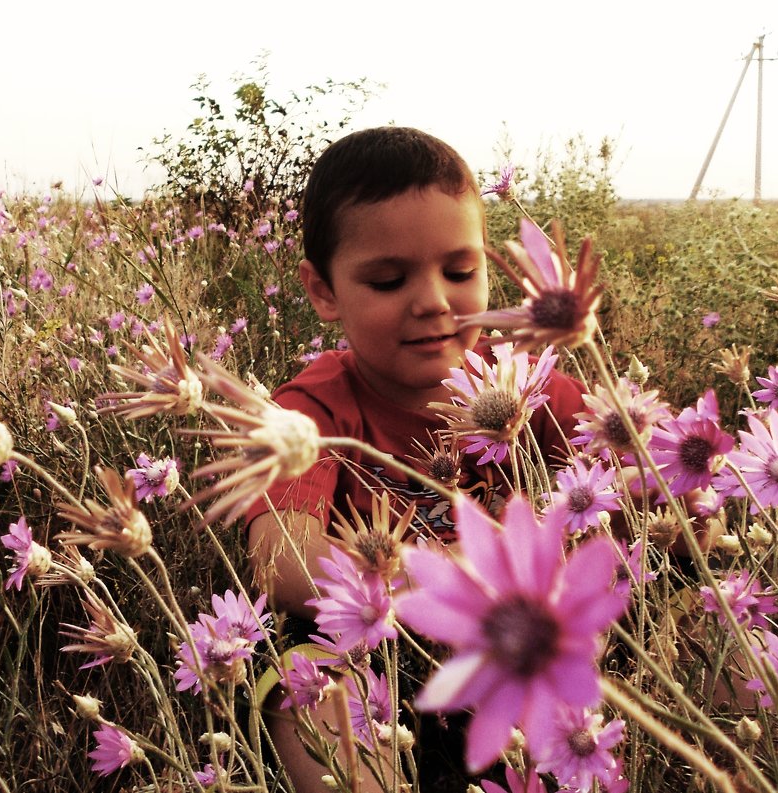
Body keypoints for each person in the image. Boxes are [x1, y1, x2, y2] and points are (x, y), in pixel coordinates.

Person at [242, 126, 588, 792]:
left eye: (459, 271)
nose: (432, 300)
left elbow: (632, 478)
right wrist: (437, 584)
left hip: (525, 648)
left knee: (695, 600)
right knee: (306, 680)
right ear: (322, 291)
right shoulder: (313, 409)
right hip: (380, 654)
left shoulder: (522, 381)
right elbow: (280, 557)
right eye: (388, 278)